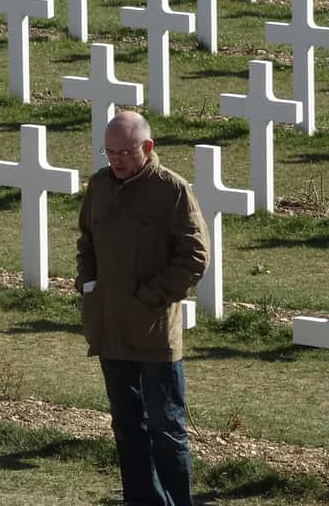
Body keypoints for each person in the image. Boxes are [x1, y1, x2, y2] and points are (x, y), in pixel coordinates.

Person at [76, 110, 209, 506]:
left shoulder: (172, 191)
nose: (114, 159)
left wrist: (151, 297)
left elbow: (195, 256)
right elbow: (87, 241)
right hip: (111, 330)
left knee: (166, 429)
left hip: (154, 336)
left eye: (123, 151)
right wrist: (88, 284)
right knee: (127, 428)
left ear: (147, 148)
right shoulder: (99, 186)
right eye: (109, 151)